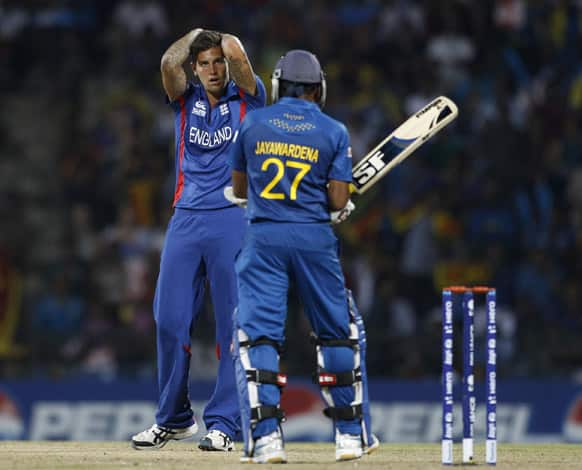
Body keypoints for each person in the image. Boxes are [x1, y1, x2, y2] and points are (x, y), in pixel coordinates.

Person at [226, 49, 379, 463]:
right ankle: (350, 435)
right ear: (318, 88)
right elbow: (337, 198)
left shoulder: (252, 123)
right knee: (336, 331)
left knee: (259, 334)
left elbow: (240, 190)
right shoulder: (334, 130)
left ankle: (267, 439)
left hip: (265, 239)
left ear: (277, 86)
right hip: (314, 238)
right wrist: (340, 207)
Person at [131, 28, 266, 451]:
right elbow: (168, 65)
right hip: (186, 219)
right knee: (169, 318)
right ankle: (174, 419)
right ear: (195, 67)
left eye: (217, 62)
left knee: (232, 324)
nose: (213, 69)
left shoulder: (248, 97)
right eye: (204, 63)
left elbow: (240, 58)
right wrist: (190, 37)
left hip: (233, 217)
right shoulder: (183, 99)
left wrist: (221, 39)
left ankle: (225, 423)